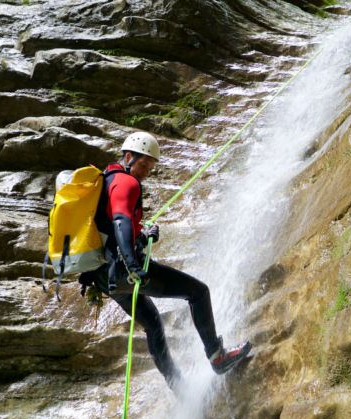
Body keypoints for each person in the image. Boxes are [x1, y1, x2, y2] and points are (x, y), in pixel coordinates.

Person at [80, 132, 251, 394]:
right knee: (198, 293)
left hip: (105, 279)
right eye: (143, 164)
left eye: (151, 167)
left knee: (153, 325)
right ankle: (217, 357)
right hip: (126, 271)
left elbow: (115, 228)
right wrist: (134, 265)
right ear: (128, 157)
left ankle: (178, 386)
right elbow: (121, 222)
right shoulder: (127, 183)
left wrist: (143, 235)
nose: (147, 172)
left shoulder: (107, 181)